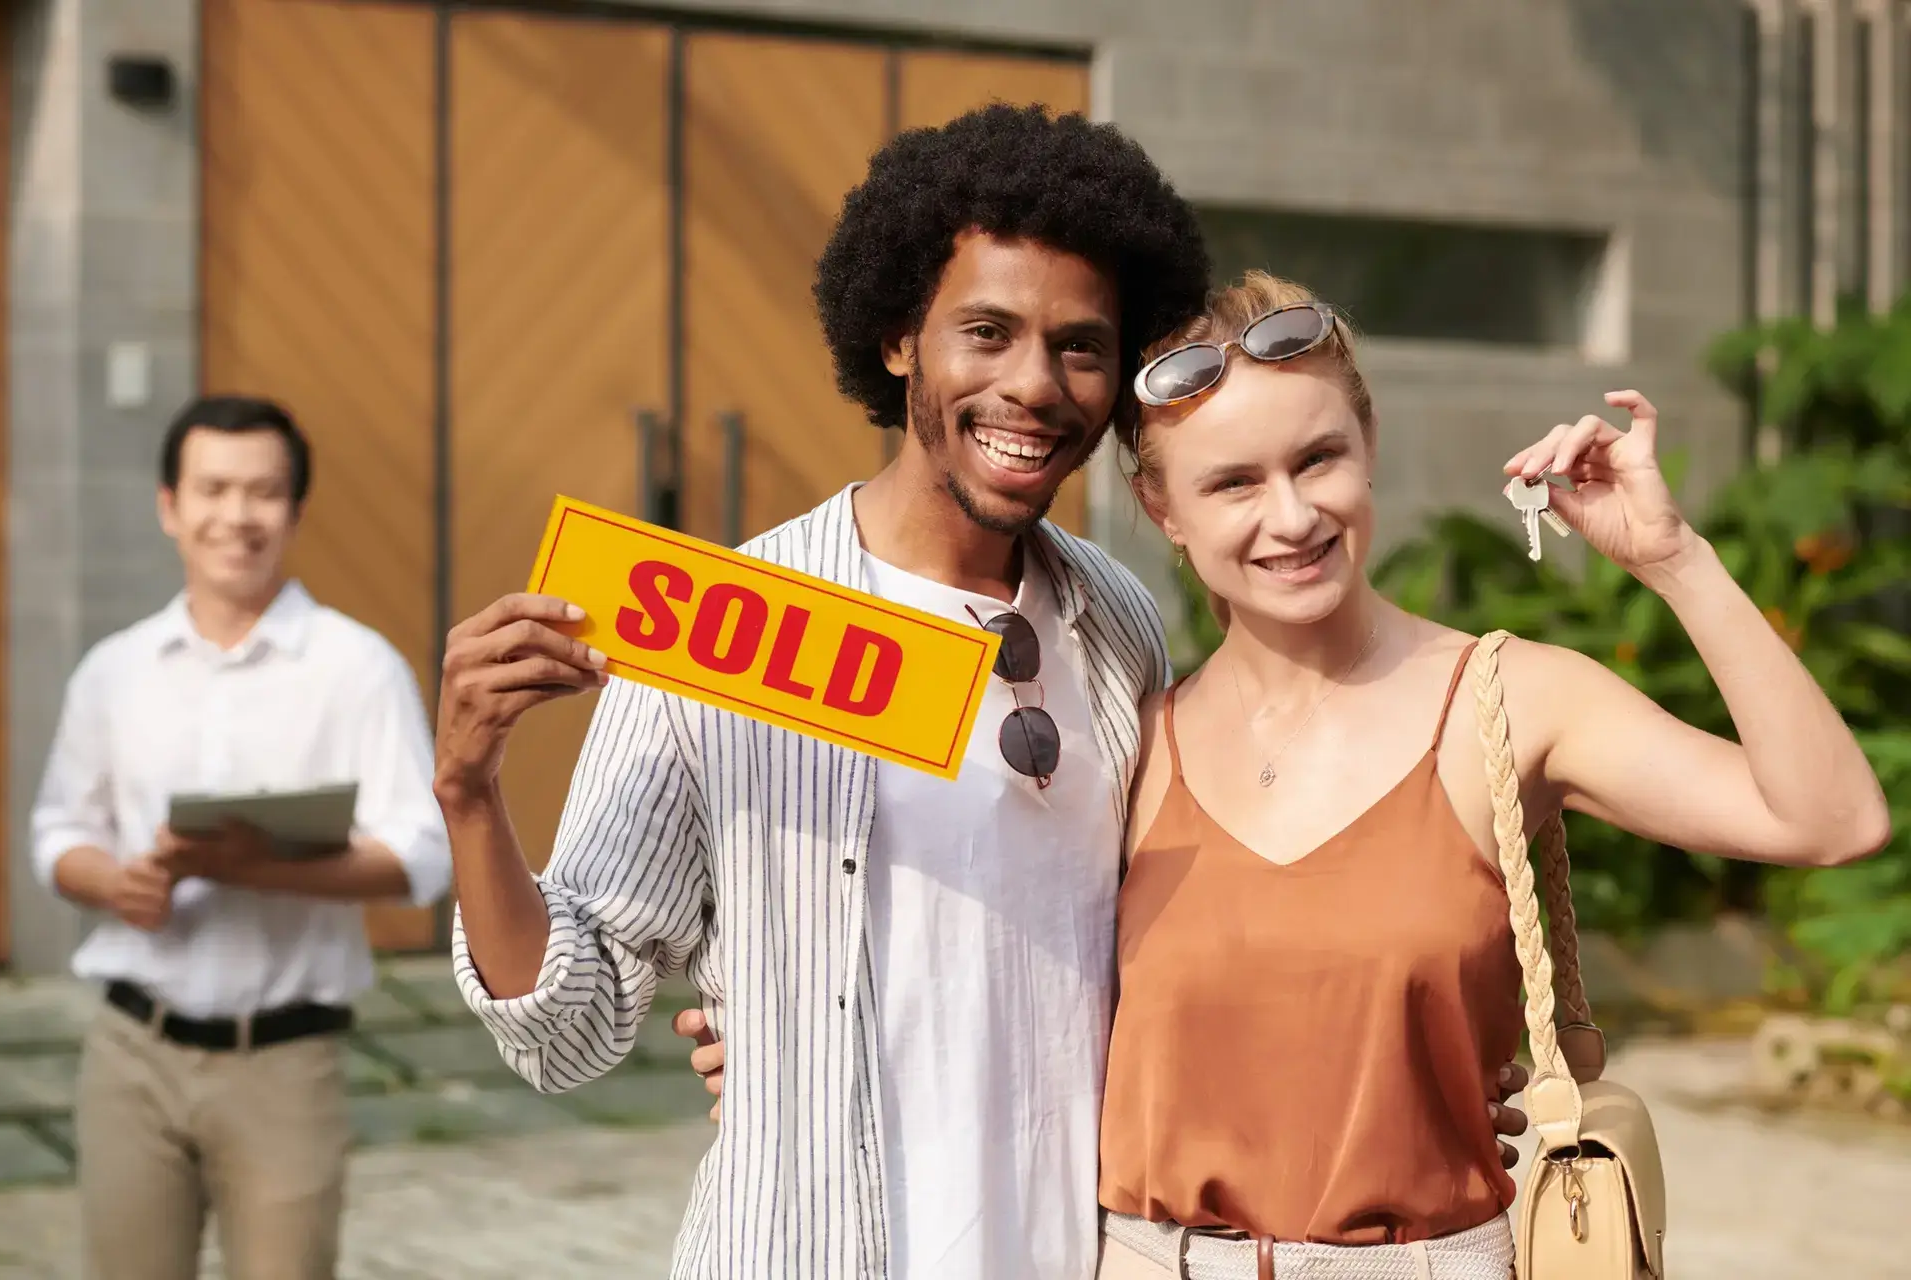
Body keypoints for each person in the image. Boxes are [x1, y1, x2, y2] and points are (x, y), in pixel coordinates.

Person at [438, 106, 1526, 1280]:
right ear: (899, 337)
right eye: (988, 332)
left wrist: (1424, 1062)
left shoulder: (1118, 624)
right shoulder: (722, 628)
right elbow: (565, 1028)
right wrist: (469, 794)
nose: (1033, 385)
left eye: (1080, 346)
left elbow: (1193, 945)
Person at [1090, 271, 1891, 1278]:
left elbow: (1830, 820)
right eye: (1233, 483)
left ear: (1369, 444)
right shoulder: (1129, 742)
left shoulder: (1510, 700)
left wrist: (1674, 559)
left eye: (1318, 458)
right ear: (1161, 505)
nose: (1290, 516)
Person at [30, 395, 453, 1280]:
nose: (237, 515)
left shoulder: (357, 668)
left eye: (263, 492)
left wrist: (257, 866)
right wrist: (114, 884)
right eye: (213, 489)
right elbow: (58, 832)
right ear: (169, 505)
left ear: (295, 511)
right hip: (131, 1059)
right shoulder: (113, 671)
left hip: (285, 1063)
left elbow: (423, 852)